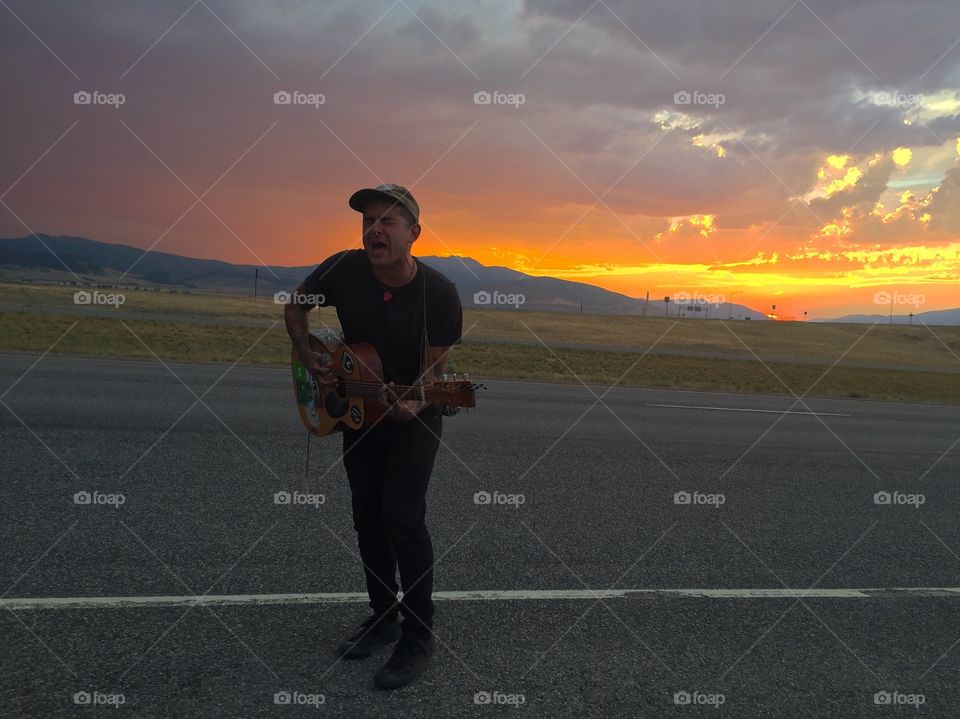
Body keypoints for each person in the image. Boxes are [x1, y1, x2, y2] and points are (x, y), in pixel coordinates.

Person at [283, 183, 463, 690]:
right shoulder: (341, 268)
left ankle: (418, 634)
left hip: (412, 415)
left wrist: (414, 404)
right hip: (358, 412)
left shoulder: (439, 293)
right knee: (366, 516)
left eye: (387, 221)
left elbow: (434, 380)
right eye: (368, 221)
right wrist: (311, 356)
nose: (374, 230)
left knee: (402, 519)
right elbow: (295, 309)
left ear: (414, 233)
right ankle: (383, 616)